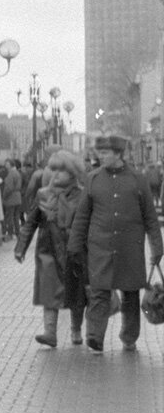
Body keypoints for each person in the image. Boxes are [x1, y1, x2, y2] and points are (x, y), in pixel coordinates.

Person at [67, 135, 163, 352]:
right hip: (100, 247)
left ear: (119, 154)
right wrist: (74, 245)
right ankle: (95, 337)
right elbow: (82, 217)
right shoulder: (92, 179)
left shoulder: (138, 180)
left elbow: (150, 217)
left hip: (130, 247)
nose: (100, 156)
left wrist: (157, 247)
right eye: (99, 153)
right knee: (99, 292)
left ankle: (129, 336)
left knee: (130, 293)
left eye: (105, 153)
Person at [15, 151, 89, 347]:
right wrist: (20, 247)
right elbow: (30, 223)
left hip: (74, 251)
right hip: (47, 250)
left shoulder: (82, 195)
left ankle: (76, 330)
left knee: (77, 295)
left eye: (61, 171)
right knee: (49, 292)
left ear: (72, 173)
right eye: (53, 169)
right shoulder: (43, 194)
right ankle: (50, 333)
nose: (55, 175)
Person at [1, 158, 23, 240]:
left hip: (11, 198)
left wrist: (4, 196)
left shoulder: (11, 174)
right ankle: (18, 233)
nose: (5, 166)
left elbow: (8, 188)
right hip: (18, 197)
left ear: (10, 164)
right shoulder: (17, 173)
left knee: (10, 216)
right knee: (16, 217)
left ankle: (10, 233)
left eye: (6, 164)